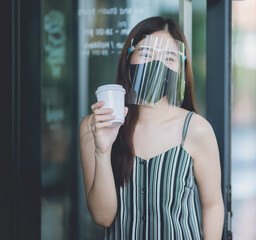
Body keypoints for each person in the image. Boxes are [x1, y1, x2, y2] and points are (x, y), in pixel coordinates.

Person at [79, 16, 224, 240]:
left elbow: (213, 204)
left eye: (169, 58)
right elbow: (103, 217)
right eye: (146, 54)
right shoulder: (94, 126)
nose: (158, 65)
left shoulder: (197, 129)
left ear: (181, 69)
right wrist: (102, 150)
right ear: (128, 61)